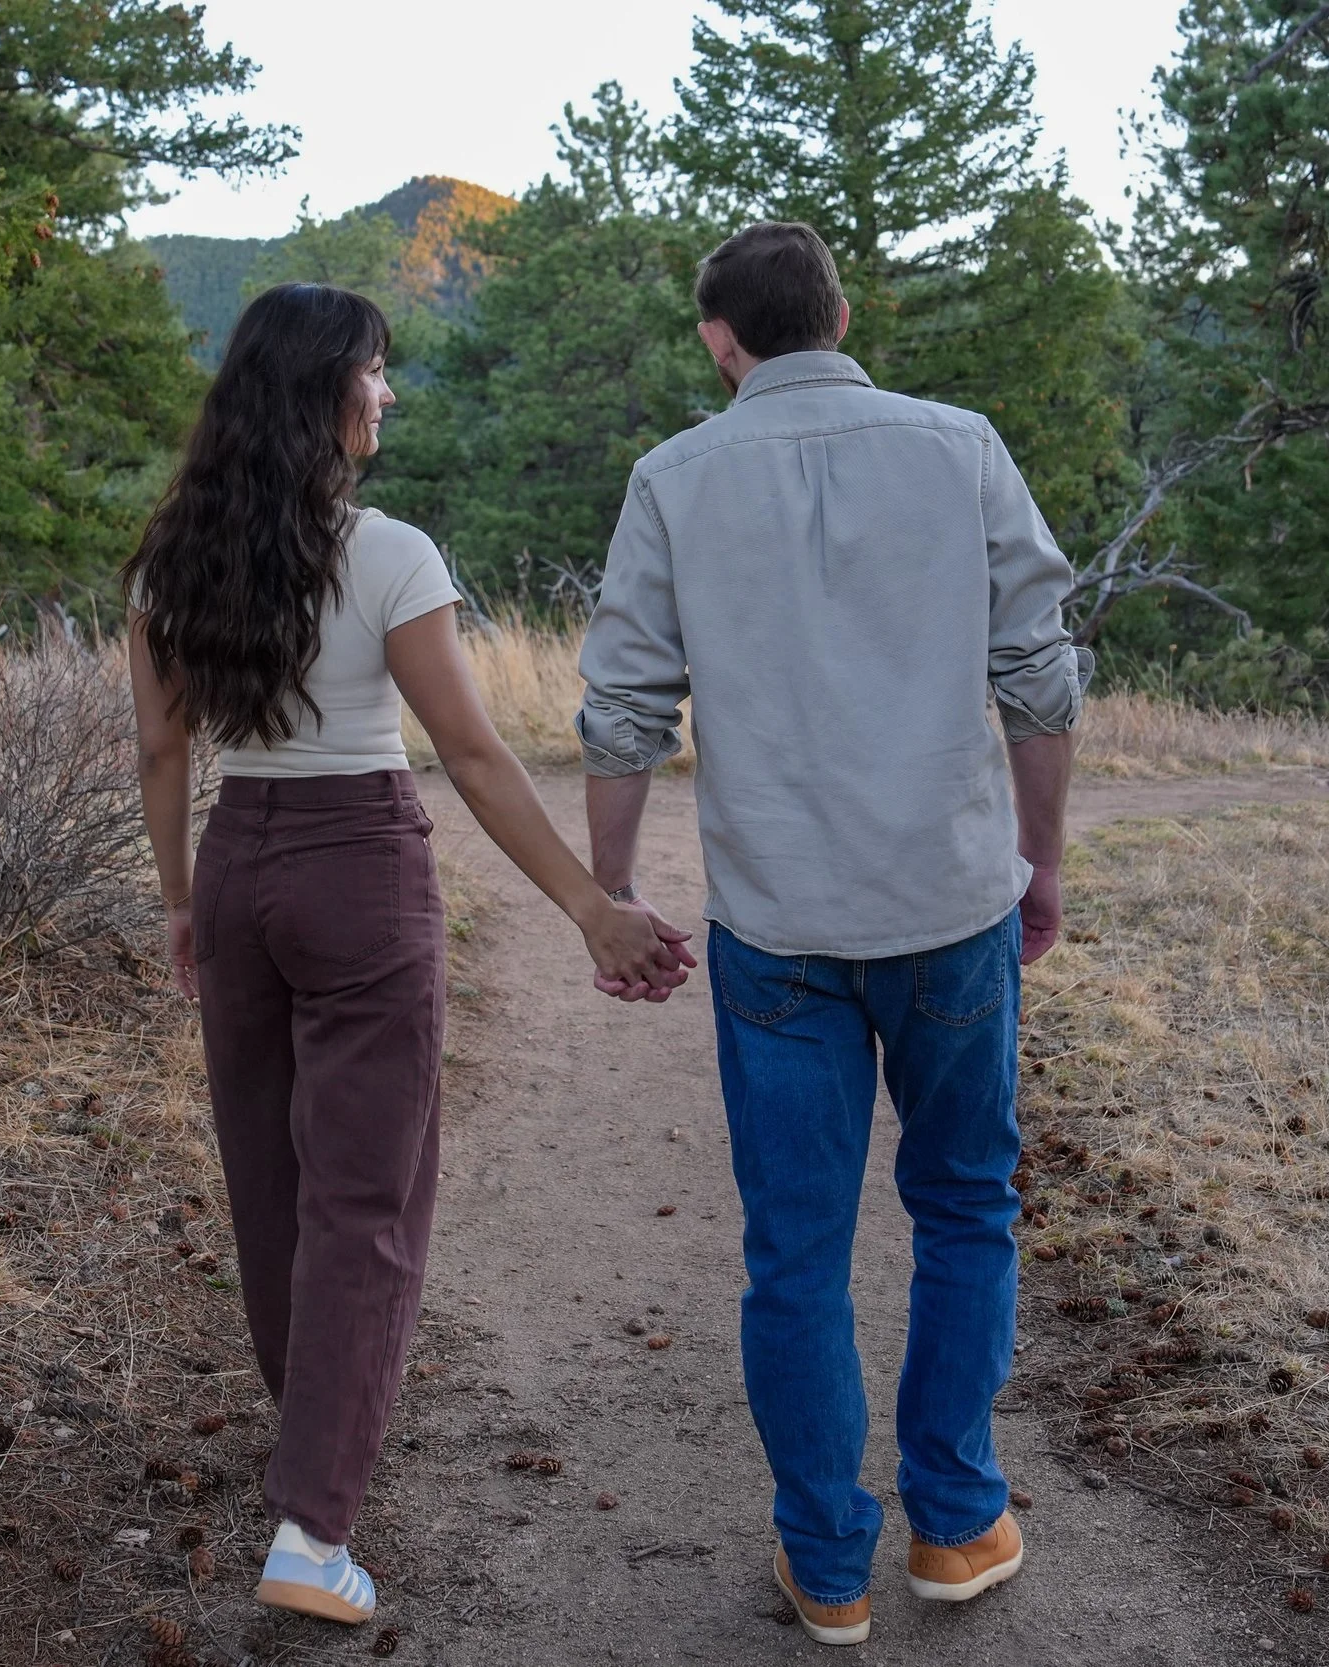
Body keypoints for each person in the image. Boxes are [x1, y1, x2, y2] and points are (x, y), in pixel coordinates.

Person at [125, 283, 692, 1627]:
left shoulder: (171, 557)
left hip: (237, 853)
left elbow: (160, 751)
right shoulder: (388, 553)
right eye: (375, 373)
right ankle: (314, 1525)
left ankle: (314, 1426)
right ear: (326, 390)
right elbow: (476, 755)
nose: (387, 394)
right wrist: (590, 904)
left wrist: (180, 900)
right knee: (367, 1200)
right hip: (358, 869)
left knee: (271, 1179)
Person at [577, 223, 1087, 1646]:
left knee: (794, 1249)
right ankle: (957, 1515)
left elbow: (623, 707)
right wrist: (1041, 859)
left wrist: (612, 893)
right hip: (948, 903)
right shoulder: (962, 445)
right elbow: (1040, 678)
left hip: (780, 927)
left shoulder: (675, 478)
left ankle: (828, 1564)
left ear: (717, 341)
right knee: (966, 1202)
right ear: (844, 314)